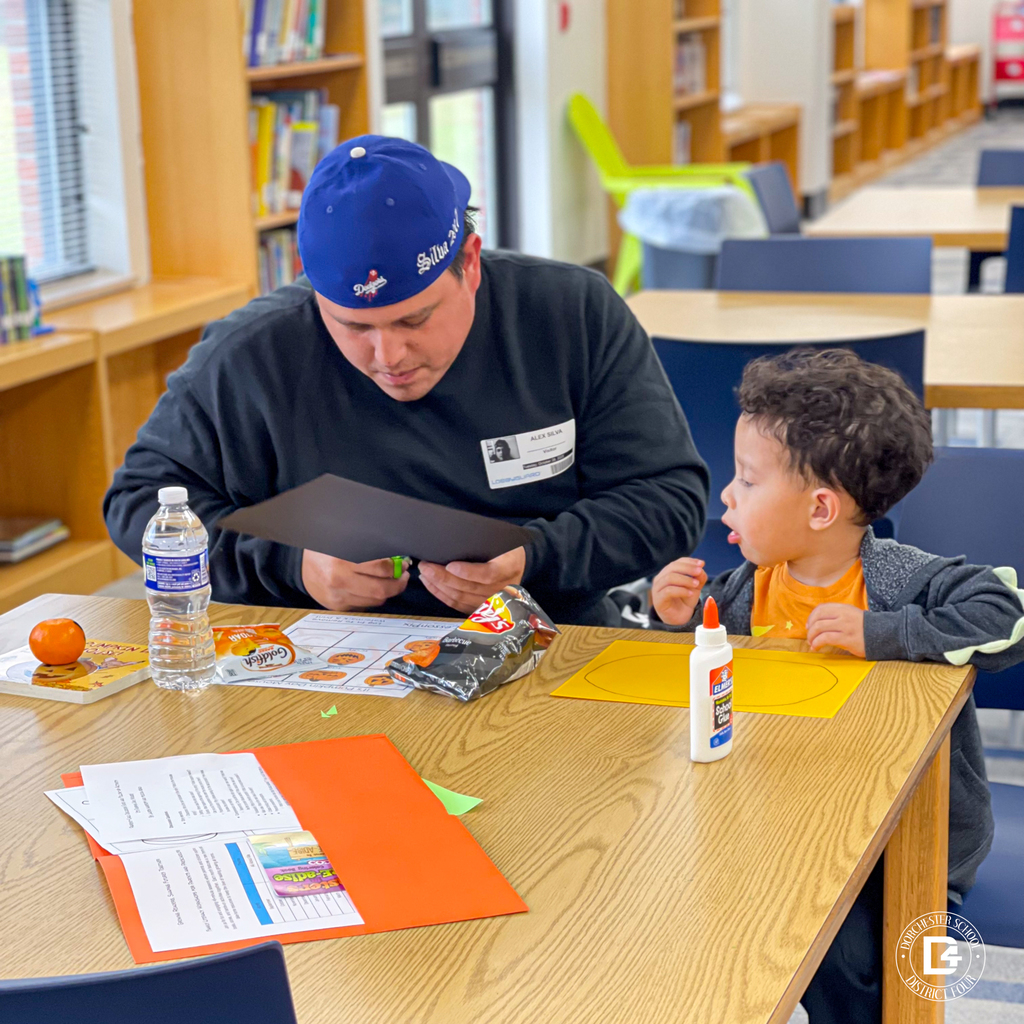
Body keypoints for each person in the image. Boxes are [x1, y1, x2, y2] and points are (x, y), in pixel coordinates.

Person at [104, 136, 709, 625]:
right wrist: (293, 568)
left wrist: (536, 557)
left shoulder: (572, 313)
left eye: (415, 319)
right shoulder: (250, 355)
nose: (387, 354)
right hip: (313, 659)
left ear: (470, 262)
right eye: (352, 326)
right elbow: (139, 503)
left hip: (548, 638)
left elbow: (669, 498)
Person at [651, 348, 1024, 1024]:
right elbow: (699, 695)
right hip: (781, 825)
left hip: (899, 843)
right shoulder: (739, 594)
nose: (726, 497)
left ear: (821, 508)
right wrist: (677, 627)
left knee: (849, 959)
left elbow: (1007, 618)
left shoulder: (898, 579)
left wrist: (881, 636)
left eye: (746, 481)